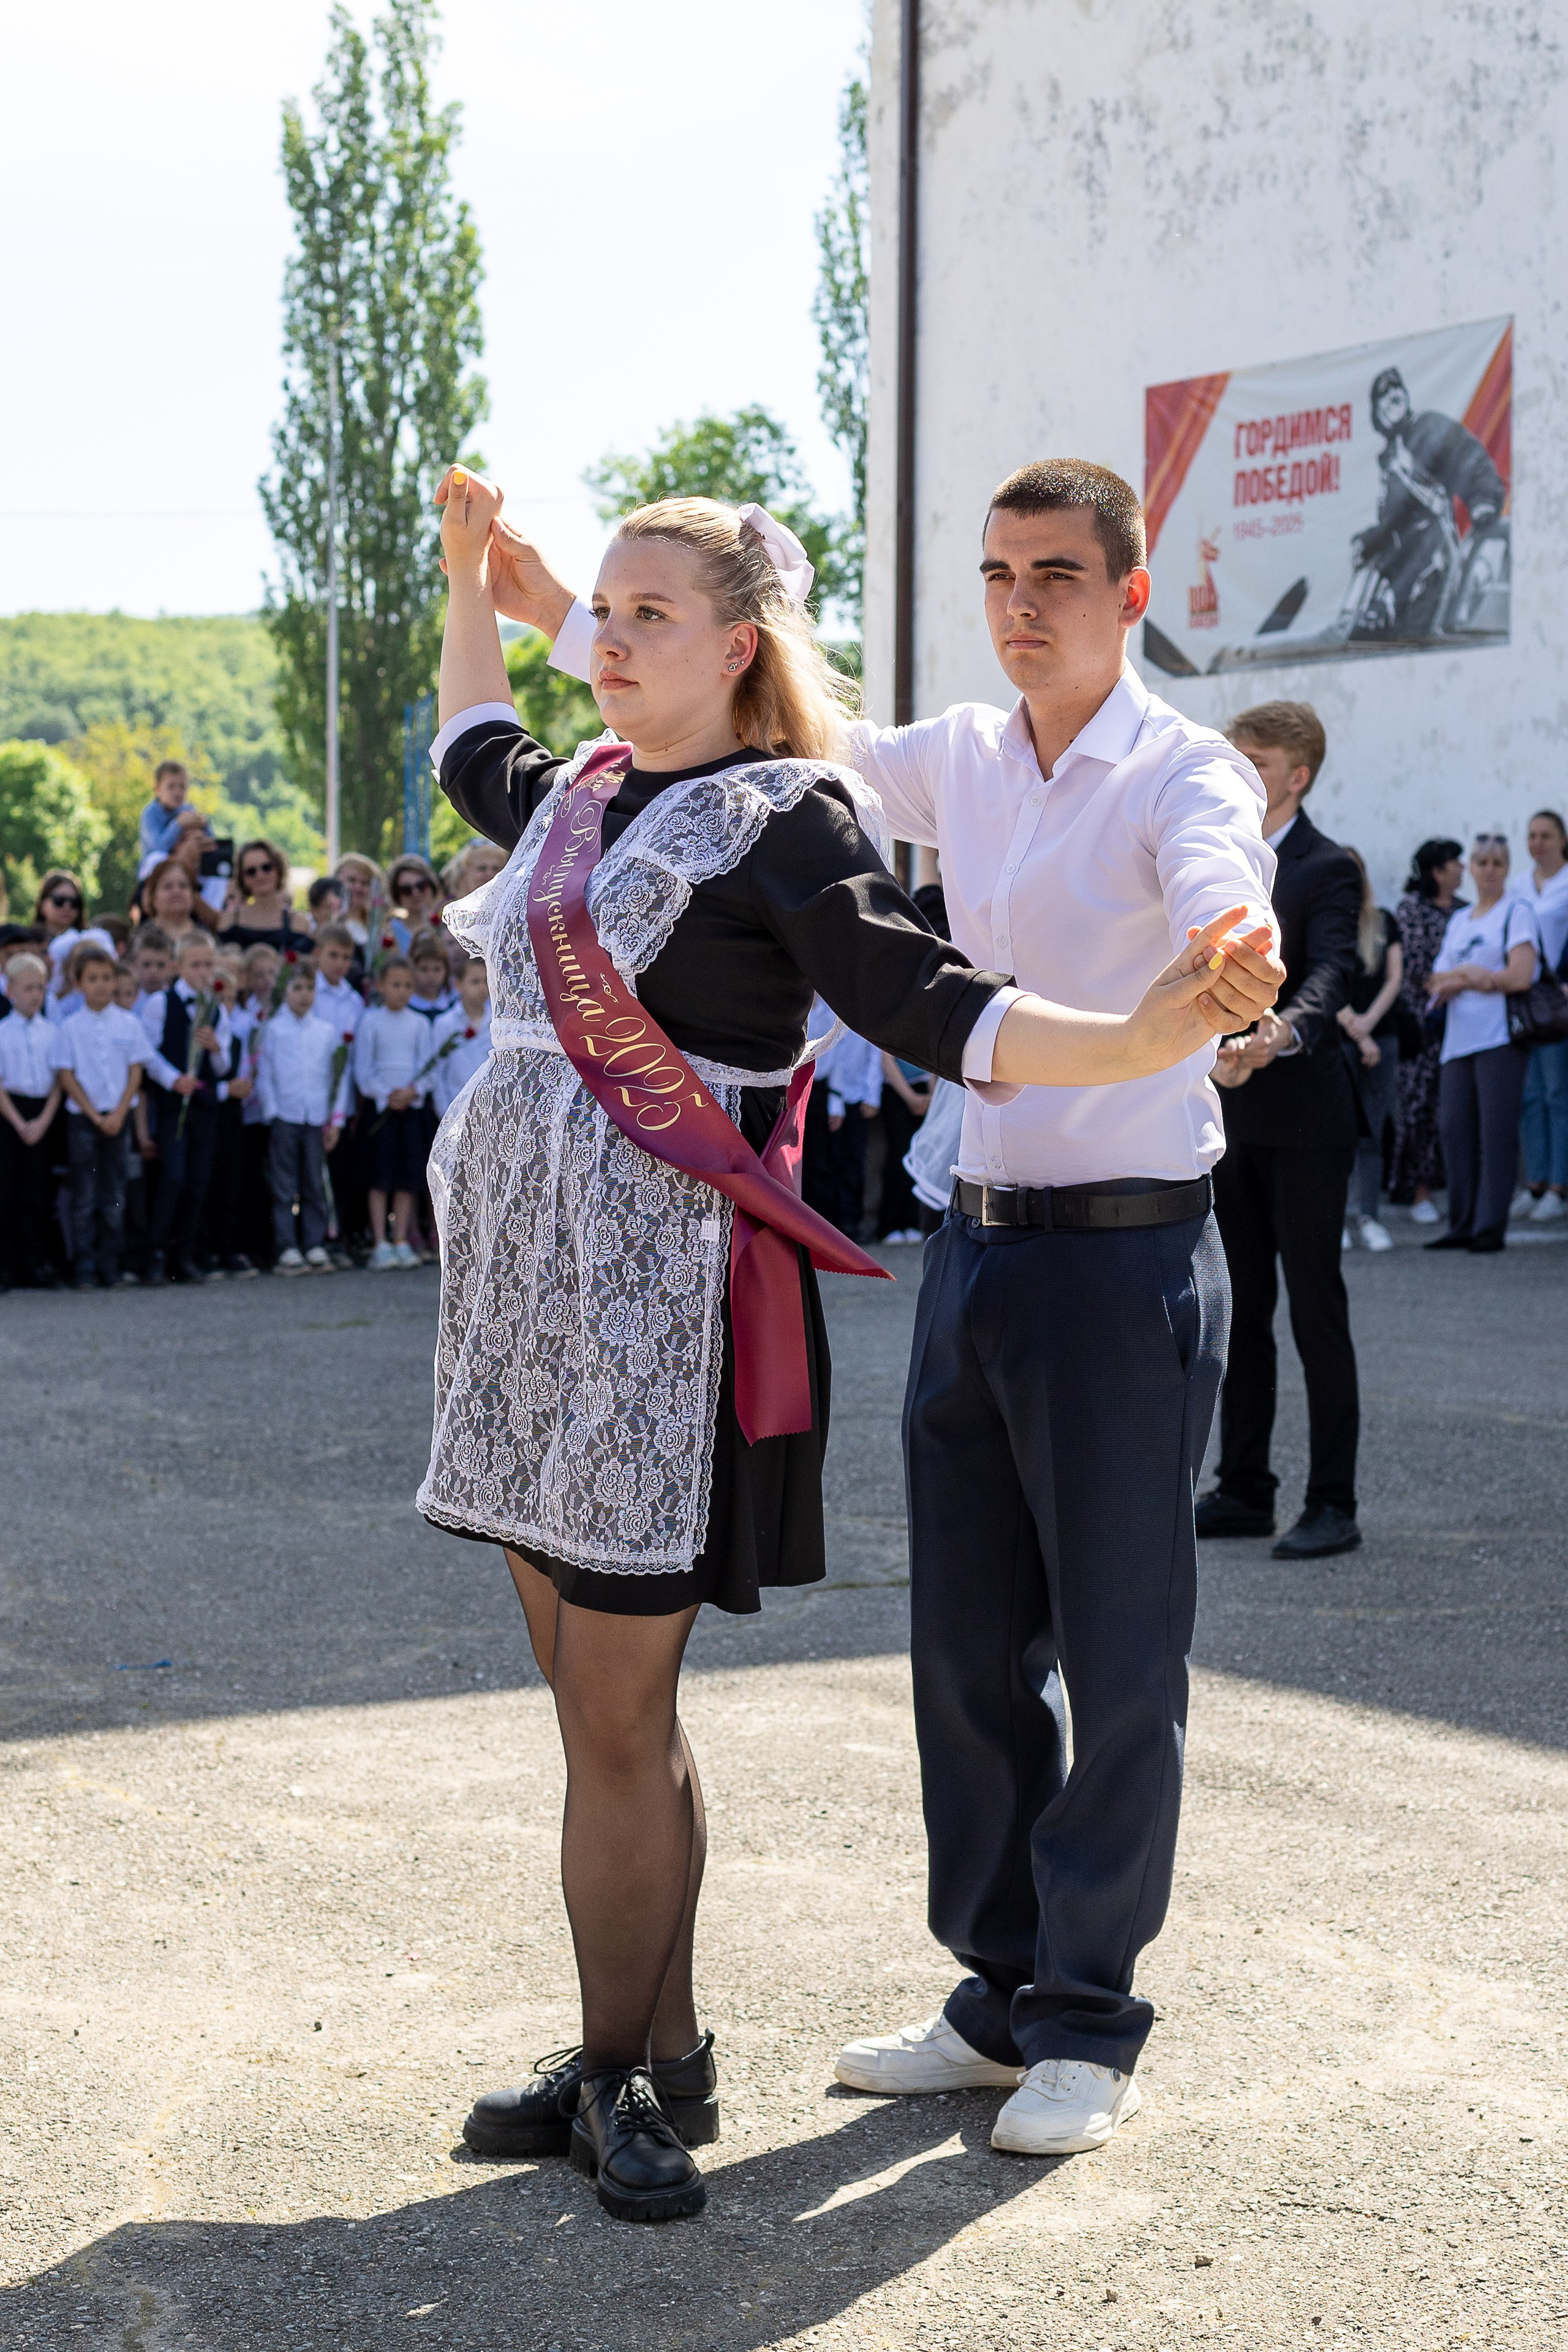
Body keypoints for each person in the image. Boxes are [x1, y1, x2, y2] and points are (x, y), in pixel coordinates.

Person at [430, 461, 1280, 2210]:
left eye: (1053, 573)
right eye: (997, 571)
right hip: (900, 1244)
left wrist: (1189, 988)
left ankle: (1074, 2019)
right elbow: (566, 728)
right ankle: (949, 1998)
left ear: (1126, 592)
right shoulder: (889, 760)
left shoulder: (1150, 774)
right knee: (953, 1659)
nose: (1017, 600)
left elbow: (948, 983)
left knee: (1110, 1653)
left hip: (1057, 1251)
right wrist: (513, 598)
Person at [1196, 701, 1362, 1559]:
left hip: (1306, 1119)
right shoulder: (1211, 851)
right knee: (1242, 1308)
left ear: (1296, 777)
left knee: (1315, 1310)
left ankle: (1333, 1501)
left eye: (1255, 762)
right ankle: (1244, 1488)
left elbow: (1334, 968)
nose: (1239, 771)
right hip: (1232, 1116)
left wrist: (1282, 1032)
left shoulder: (1326, 866)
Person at [1424, 833, 1540, 1254]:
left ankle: (1489, 1228)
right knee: (1455, 1132)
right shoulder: (1460, 920)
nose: (1489, 870)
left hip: (1499, 1040)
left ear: (1507, 869)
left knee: (1495, 1135)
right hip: (1458, 1042)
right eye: (1482, 862)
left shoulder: (1517, 911)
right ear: (1470, 869)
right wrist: (1468, 976)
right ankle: (1462, 1224)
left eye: (1497, 863)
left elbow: (1521, 975)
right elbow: (1434, 980)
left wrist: (1474, 978)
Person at [140, 929, 235, 1285]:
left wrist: (216, 1050)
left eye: (208, 965)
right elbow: (149, 1053)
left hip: (204, 1107)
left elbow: (223, 1068)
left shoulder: (216, 1009)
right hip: (172, 1103)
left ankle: (185, 1254)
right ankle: (156, 1254)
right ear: (178, 967)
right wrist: (173, 1079)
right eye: (195, 965)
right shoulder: (160, 1003)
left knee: (198, 1181)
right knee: (173, 1177)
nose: (203, 972)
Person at [50, 943, 146, 1289]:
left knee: (114, 1194)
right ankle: (85, 1265)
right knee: (85, 1195)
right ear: (79, 984)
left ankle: (110, 1263)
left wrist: (119, 1112)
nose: (101, 985)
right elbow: (66, 1075)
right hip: (84, 1121)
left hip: (119, 1119)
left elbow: (135, 1071)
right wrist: (94, 1115)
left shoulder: (129, 1023)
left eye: (107, 978)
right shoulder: (70, 1027)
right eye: (93, 979)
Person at [1389, 838, 1466, 1220]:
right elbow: (1415, 969)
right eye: (1456, 863)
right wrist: (1458, 980)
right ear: (1437, 871)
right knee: (1418, 1108)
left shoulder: (1466, 912)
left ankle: (1456, 1192)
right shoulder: (1412, 910)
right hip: (1421, 1030)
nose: (1463, 868)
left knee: (1455, 1113)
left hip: (1463, 1023)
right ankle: (1417, 1193)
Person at [1336, 846, 1404, 1253]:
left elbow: (1394, 979)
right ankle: (1339, 1219)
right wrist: (1358, 1033)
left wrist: (1369, 1026)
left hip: (1384, 1038)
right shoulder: (1327, 925)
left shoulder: (1384, 921)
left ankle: (1369, 1218)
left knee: (1373, 1135)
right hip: (1340, 1041)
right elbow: (1320, 980)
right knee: (1339, 1135)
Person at [256, 959, 342, 1275]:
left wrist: (335, 1120)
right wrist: (273, 1112)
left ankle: (314, 1243)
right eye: (297, 988)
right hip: (285, 1116)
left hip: (316, 1117)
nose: (305, 995)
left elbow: (337, 1078)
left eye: (310, 988)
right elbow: (265, 1073)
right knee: (284, 1184)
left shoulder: (326, 1032)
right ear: (285, 992)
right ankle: (287, 1246)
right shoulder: (274, 1030)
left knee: (314, 1182)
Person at [352, 954, 430, 1269]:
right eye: (395, 985)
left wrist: (413, 1091)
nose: (402, 991)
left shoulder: (420, 1023)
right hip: (381, 1112)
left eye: (407, 985)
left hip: (409, 1111)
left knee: (406, 1177)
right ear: (381, 986)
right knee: (379, 1176)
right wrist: (386, 1095)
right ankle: (380, 1242)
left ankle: (400, 1240)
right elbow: (363, 1071)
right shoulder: (371, 1022)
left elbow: (428, 1068)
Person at [1510, 809, 1568, 1224]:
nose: (1538, 843)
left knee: (1556, 1094)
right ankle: (1535, 1182)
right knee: (1530, 1096)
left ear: (1562, 839)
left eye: (1546, 835)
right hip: (1522, 1002)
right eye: (1532, 835)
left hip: (1558, 1001)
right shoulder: (1519, 885)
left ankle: (1558, 1188)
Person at [0, 952, 64, 1289]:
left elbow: (59, 1082)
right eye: (28, 988)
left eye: (40, 987)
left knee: (37, 1193)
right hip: (10, 1115)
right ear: (10, 991)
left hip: (43, 1114)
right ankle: (7, 1267)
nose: (35, 995)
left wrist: (42, 1120)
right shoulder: (2, 1032)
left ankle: (34, 1264)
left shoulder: (52, 1033)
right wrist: (19, 1122)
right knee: (7, 1192)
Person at [802, 1024, 882, 1238]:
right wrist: (835, 1102)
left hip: (858, 1096)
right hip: (826, 1095)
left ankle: (849, 1222)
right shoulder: (825, 1012)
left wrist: (872, 1096)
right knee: (824, 1162)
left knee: (853, 1161)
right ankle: (824, 1224)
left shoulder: (866, 1015)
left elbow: (875, 1055)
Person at [218, 839, 312, 954]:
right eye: (251, 871)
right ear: (243, 878)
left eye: (267, 868)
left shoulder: (298, 922)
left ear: (278, 870)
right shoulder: (230, 920)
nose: (260, 875)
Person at [876, 1050, 933, 1243]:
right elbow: (887, 1060)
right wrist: (911, 1098)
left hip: (925, 1090)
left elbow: (932, 1060)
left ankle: (913, 1222)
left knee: (921, 1156)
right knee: (899, 1155)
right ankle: (889, 1225)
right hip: (897, 1090)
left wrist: (932, 1097)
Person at [429, 956, 492, 1117]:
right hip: (456, 1109)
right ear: (458, 985)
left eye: (486, 981)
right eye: (475, 982)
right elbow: (438, 1071)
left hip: (490, 1110)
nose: (482, 987)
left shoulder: (496, 1022)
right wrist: (445, 1113)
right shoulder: (445, 1023)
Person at [138, 760, 208, 864]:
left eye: (182, 787)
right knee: (157, 858)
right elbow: (158, 848)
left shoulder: (189, 810)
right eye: (171, 787)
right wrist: (178, 824)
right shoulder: (150, 814)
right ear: (157, 789)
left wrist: (204, 826)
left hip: (183, 865)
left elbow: (210, 842)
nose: (178, 793)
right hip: (155, 868)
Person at [138, 856, 212, 953]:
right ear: (153, 896)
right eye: (168, 887)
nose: (176, 892)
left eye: (183, 886)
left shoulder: (207, 938)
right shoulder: (140, 939)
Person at [385, 854, 443, 951]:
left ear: (431, 885)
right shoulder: (390, 933)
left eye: (422, 886)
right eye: (406, 890)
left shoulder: (448, 924)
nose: (415, 893)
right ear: (396, 895)